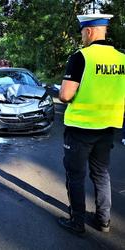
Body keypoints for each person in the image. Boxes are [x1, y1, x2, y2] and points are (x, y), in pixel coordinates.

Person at [58, 13, 125, 235]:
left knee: (75, 176)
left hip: (80, 129)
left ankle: (77, 223)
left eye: (82, 32)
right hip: (108, 128)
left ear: (89, 31)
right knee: (101, 173)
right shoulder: (122, 58)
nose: (82, 37)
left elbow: (66, 95)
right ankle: (104, 221)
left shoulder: (81, 57)